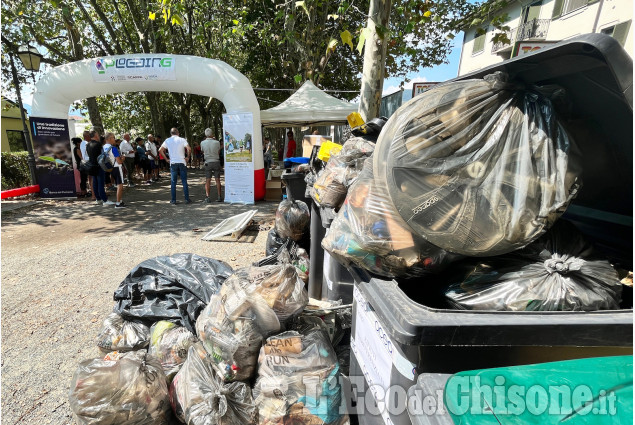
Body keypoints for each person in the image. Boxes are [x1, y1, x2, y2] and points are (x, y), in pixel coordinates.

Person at [160, 127, 192, 205]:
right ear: (178, 133)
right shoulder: (182, 139)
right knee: (184, 181)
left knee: (173, 182)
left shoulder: (167, 140)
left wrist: (166, 159)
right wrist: (188, 157)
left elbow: (160, 150)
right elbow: (189, 148)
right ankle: (187, 199)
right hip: (182, 162)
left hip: (173, 162)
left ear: (171, 133)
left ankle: (173, 200)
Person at [86, 129, 108, 205]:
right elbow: (103, 155)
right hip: (99, 165)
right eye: (98, 135)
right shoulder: (98, 144)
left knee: (95, 183)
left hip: (92, 165)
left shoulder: (88, 144)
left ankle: (98, 199)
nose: (98, 136)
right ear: (95, 135)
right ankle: (104, 200)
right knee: (100, 183)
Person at [104, 132, 126, 208]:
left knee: (118, 184)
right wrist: (123, 158)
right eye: (113, 137)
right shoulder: (113, 148)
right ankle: (118, 203)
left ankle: (120, 200)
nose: (114, 139)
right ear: (110, 138)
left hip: (109, 168)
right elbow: (119, 161)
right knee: (120, 185)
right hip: (117, 167)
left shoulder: (103, 148)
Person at [200, 128, 222, 203]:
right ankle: (219, 196)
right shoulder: (217, 142)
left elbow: (203, 151)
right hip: (216, 161)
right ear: (212, 134)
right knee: (217, 180)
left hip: (208, 162)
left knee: (208, 180)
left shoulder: (202, 143)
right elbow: (218, 151)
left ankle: (208, 197)